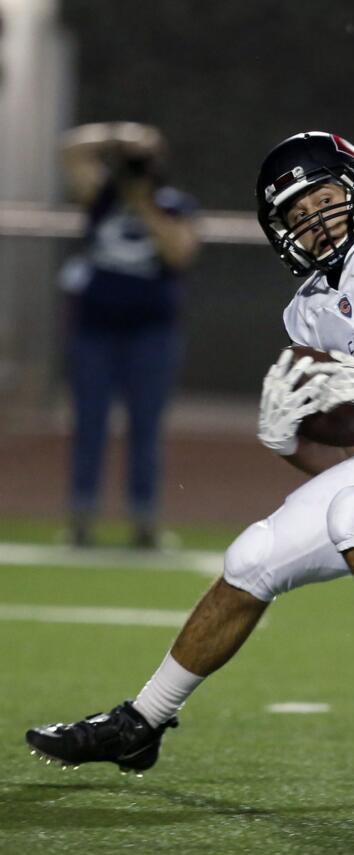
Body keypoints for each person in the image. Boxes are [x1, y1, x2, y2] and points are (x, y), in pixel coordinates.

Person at [27, 131, 354, 807]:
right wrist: (286, 441)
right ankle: (143, 721)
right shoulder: (310, 310)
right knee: (255, 555)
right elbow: (340, 466)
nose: (313, 220)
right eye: (295, 215)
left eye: (323, 198)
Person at [59, 122, 200, 548]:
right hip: (95, 329)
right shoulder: (100, 196)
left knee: (145, 427)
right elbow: (69, 150)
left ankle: (144, 522)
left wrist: (145, 206)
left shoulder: (175, 205)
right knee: (88, 424)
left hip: (151, 333)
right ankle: (81, 519)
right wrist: (119, 135)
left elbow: (180, 253)